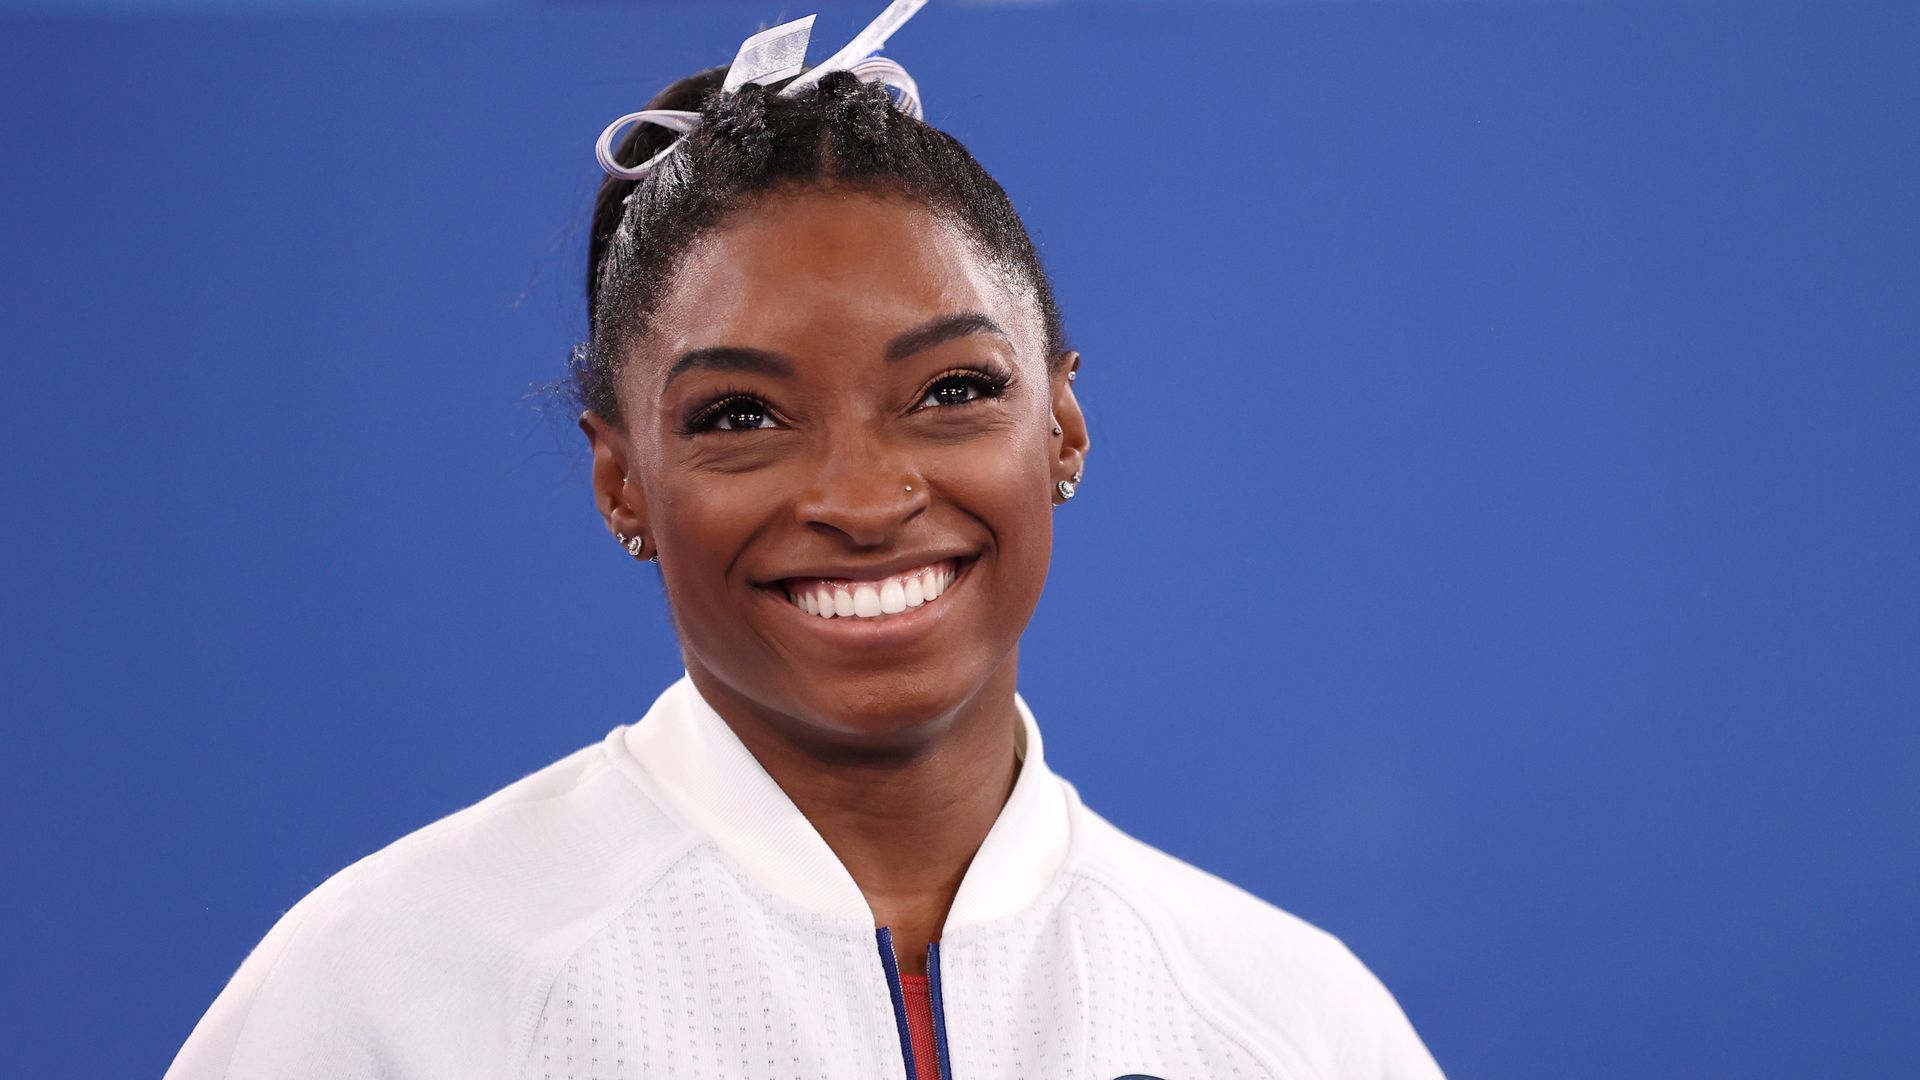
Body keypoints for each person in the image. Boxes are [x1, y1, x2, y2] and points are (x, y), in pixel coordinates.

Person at [166, 5, 1444, 1078]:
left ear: (1061, 427)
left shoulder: (1293, 1023)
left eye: (952, 390)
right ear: (622, 481)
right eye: (740, 415)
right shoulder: (397, 995)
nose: (864, 497)